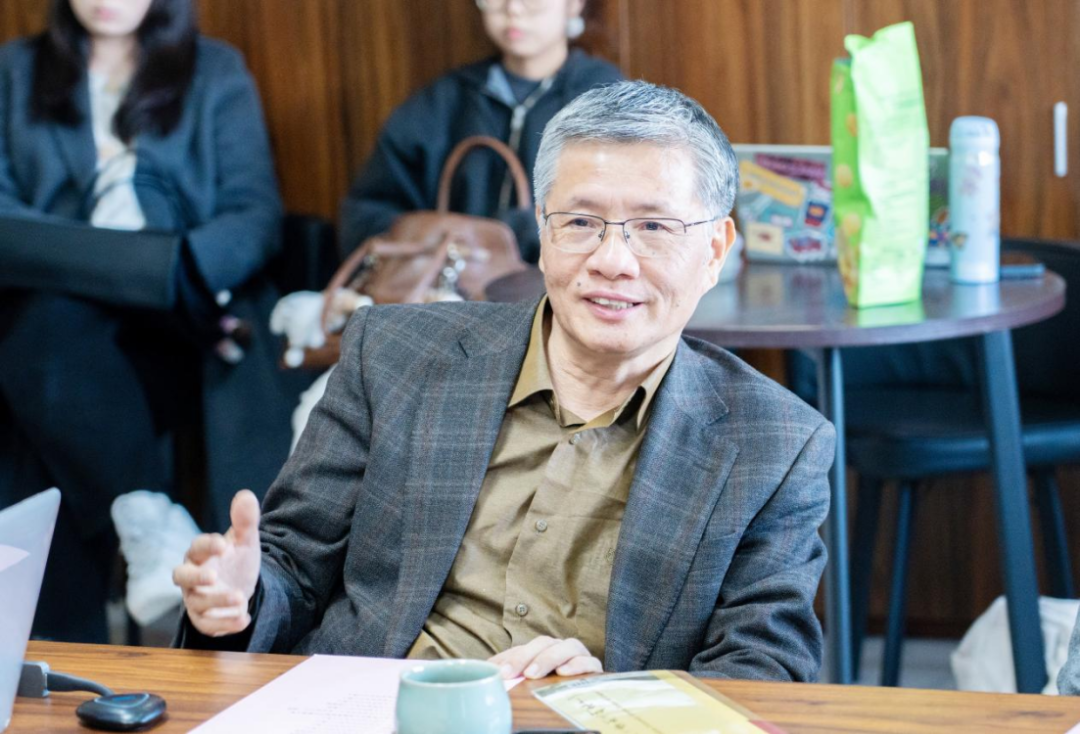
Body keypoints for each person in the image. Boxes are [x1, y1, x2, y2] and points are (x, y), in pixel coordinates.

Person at [176, 81, 835, 681]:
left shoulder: (775, 444)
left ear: (714, 250)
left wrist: (612, 698)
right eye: (581, 223)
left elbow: (762, 668)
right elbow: (293, 564)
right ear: (542, 232)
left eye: (653, 228)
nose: (612, 260)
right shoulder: (394, 354)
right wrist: (239, 597)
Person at [0, 0, 304, 642]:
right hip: (54, 310)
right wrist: (109, 263)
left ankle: (73, 635)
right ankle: (146, 521)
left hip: (183, 313)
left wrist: (174, 269)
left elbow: (253, 215)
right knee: (43, 340)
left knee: (40, 372)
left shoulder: (213, 69)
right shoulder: (17, 70)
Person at [340, 0, 622, 264]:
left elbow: (619, 218)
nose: (513, 9)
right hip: (449, 288)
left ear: (574, 5)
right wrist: (444, 238)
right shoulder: (443, 100)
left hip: (560, 289)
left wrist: (513, 233)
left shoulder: (608, 103)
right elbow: (365, 213)